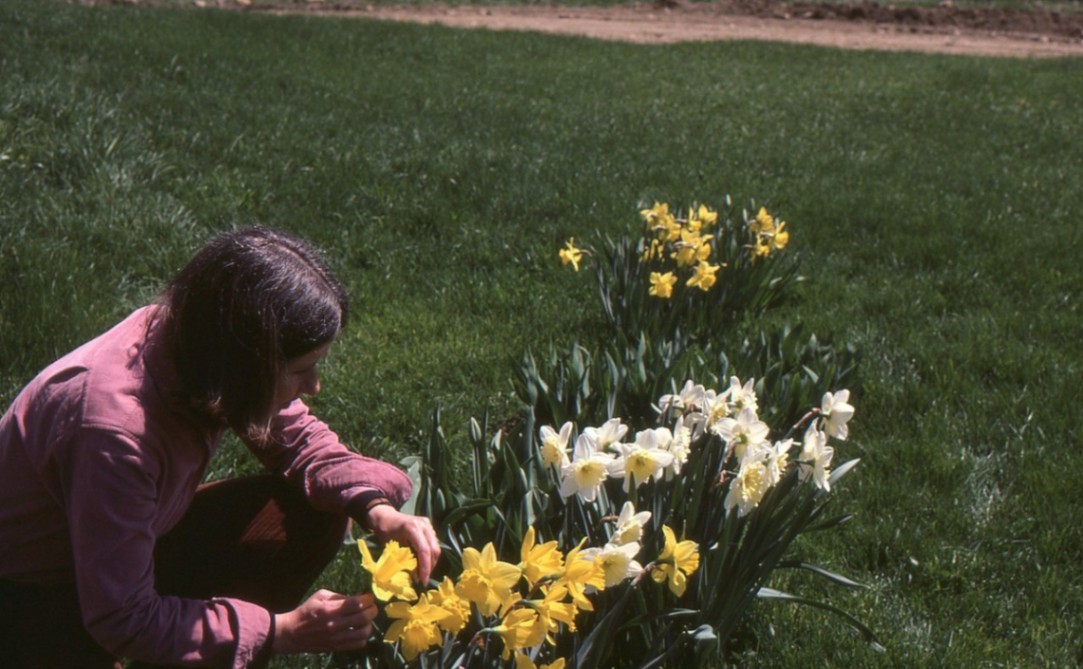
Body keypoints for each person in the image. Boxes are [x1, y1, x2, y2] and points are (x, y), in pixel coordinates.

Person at [0, 226, 440, 668]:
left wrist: (376, 508)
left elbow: (298, 439)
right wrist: (280, 631)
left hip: (119, 542)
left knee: (316, 515)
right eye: (301, 369)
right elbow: (122, 617)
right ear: (245, 364)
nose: (315, 386)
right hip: (36, 590)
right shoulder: (116, 433)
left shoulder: (194, 343)